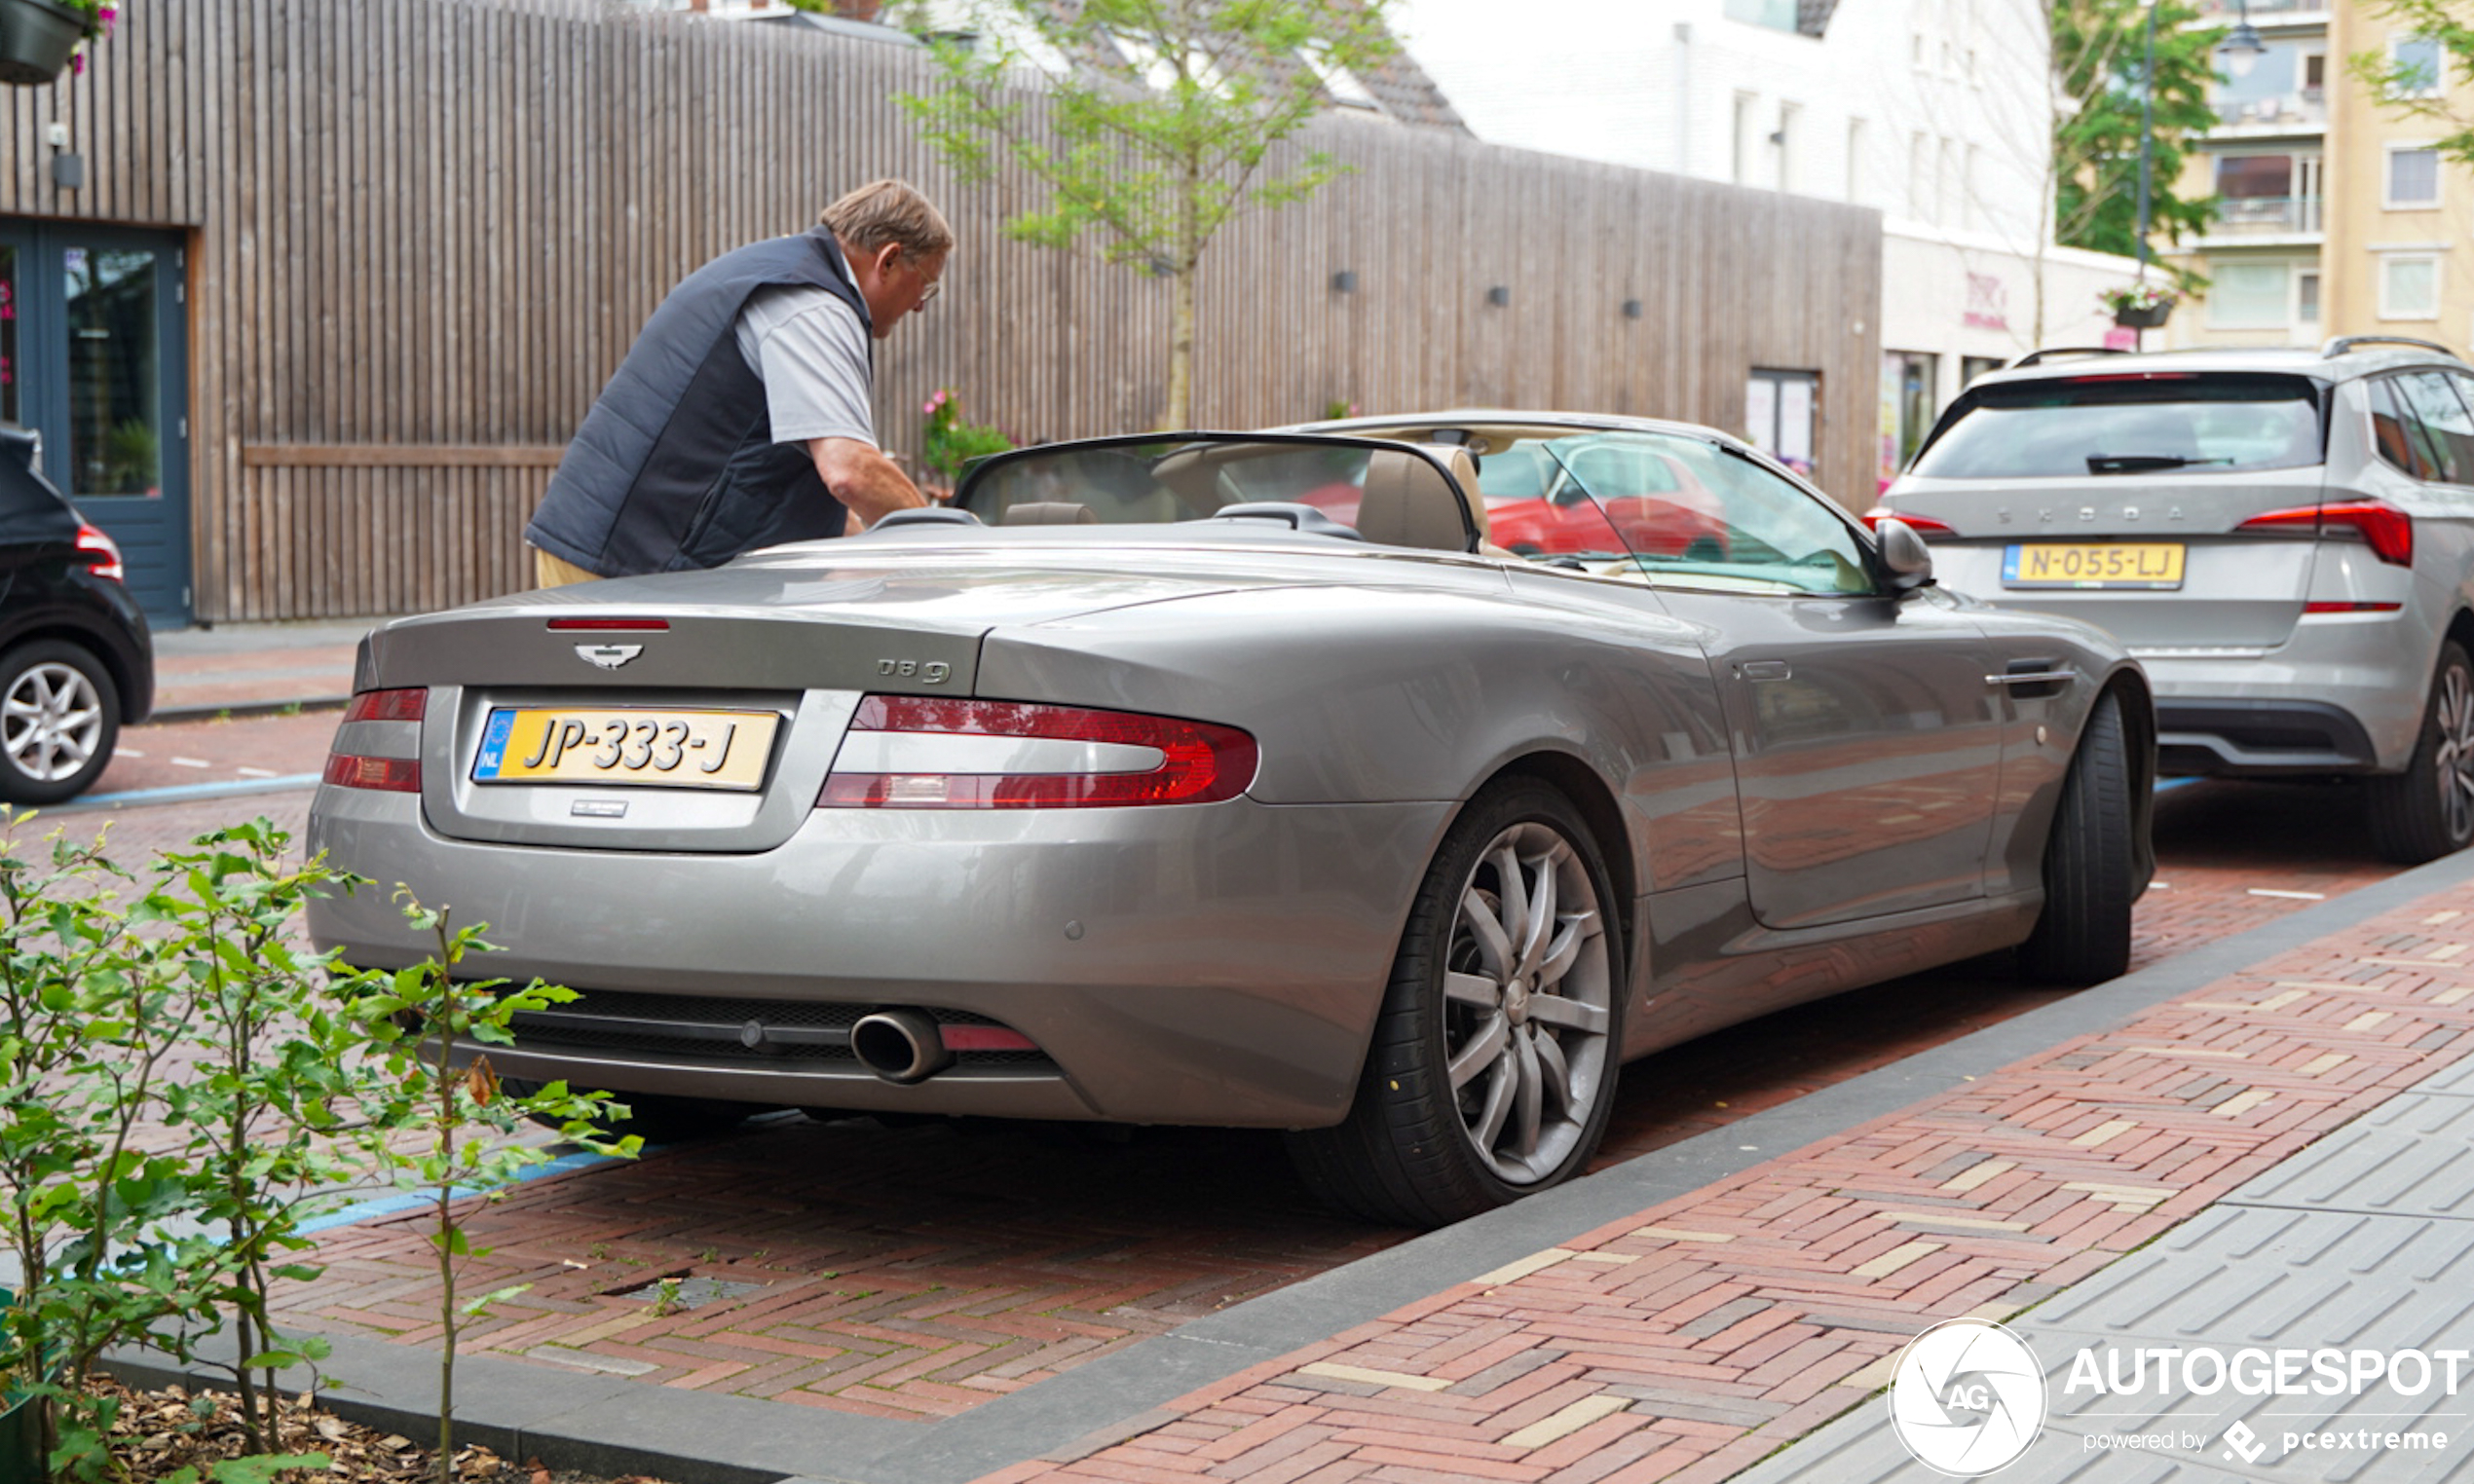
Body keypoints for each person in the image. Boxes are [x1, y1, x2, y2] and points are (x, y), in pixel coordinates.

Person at [524, 179, 950, 585]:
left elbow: (809, 488)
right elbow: (850, 469)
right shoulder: (813, 304)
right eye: (926, 285)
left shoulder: (774, 270)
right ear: (888, 259)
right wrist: (945, 547)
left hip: (604, 549)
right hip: (626, 568)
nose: (919, 307)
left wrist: (869, 555)